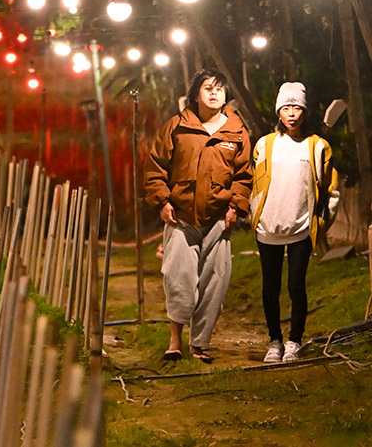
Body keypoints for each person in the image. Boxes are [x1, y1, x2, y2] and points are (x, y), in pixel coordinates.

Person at [144, 69, 253, 362]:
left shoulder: (236, 130)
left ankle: (199, 345)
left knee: (214, 281)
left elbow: (244, 175)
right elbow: (156, 167)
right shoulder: (177, 127)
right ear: (196, 94)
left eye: (219, 89)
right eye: (208, 88)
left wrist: (235, 207)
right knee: (178, 278)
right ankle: (175, 340)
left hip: (219, 219)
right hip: (180, 217)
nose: (215, 93)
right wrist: (162, 202)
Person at [250, 82, 339, 363]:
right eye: (286, 108)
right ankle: (274, 341)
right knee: (270, 287)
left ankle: (294, 341)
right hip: (269, 227)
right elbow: (254, 183)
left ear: (305, 111)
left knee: (296, 286)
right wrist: (255, 215)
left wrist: (321, 224)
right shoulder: (264, 144)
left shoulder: (317, 146)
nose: (291, 113)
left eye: (296, 107)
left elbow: (330, 191)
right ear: (279, 111)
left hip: (301, 227)